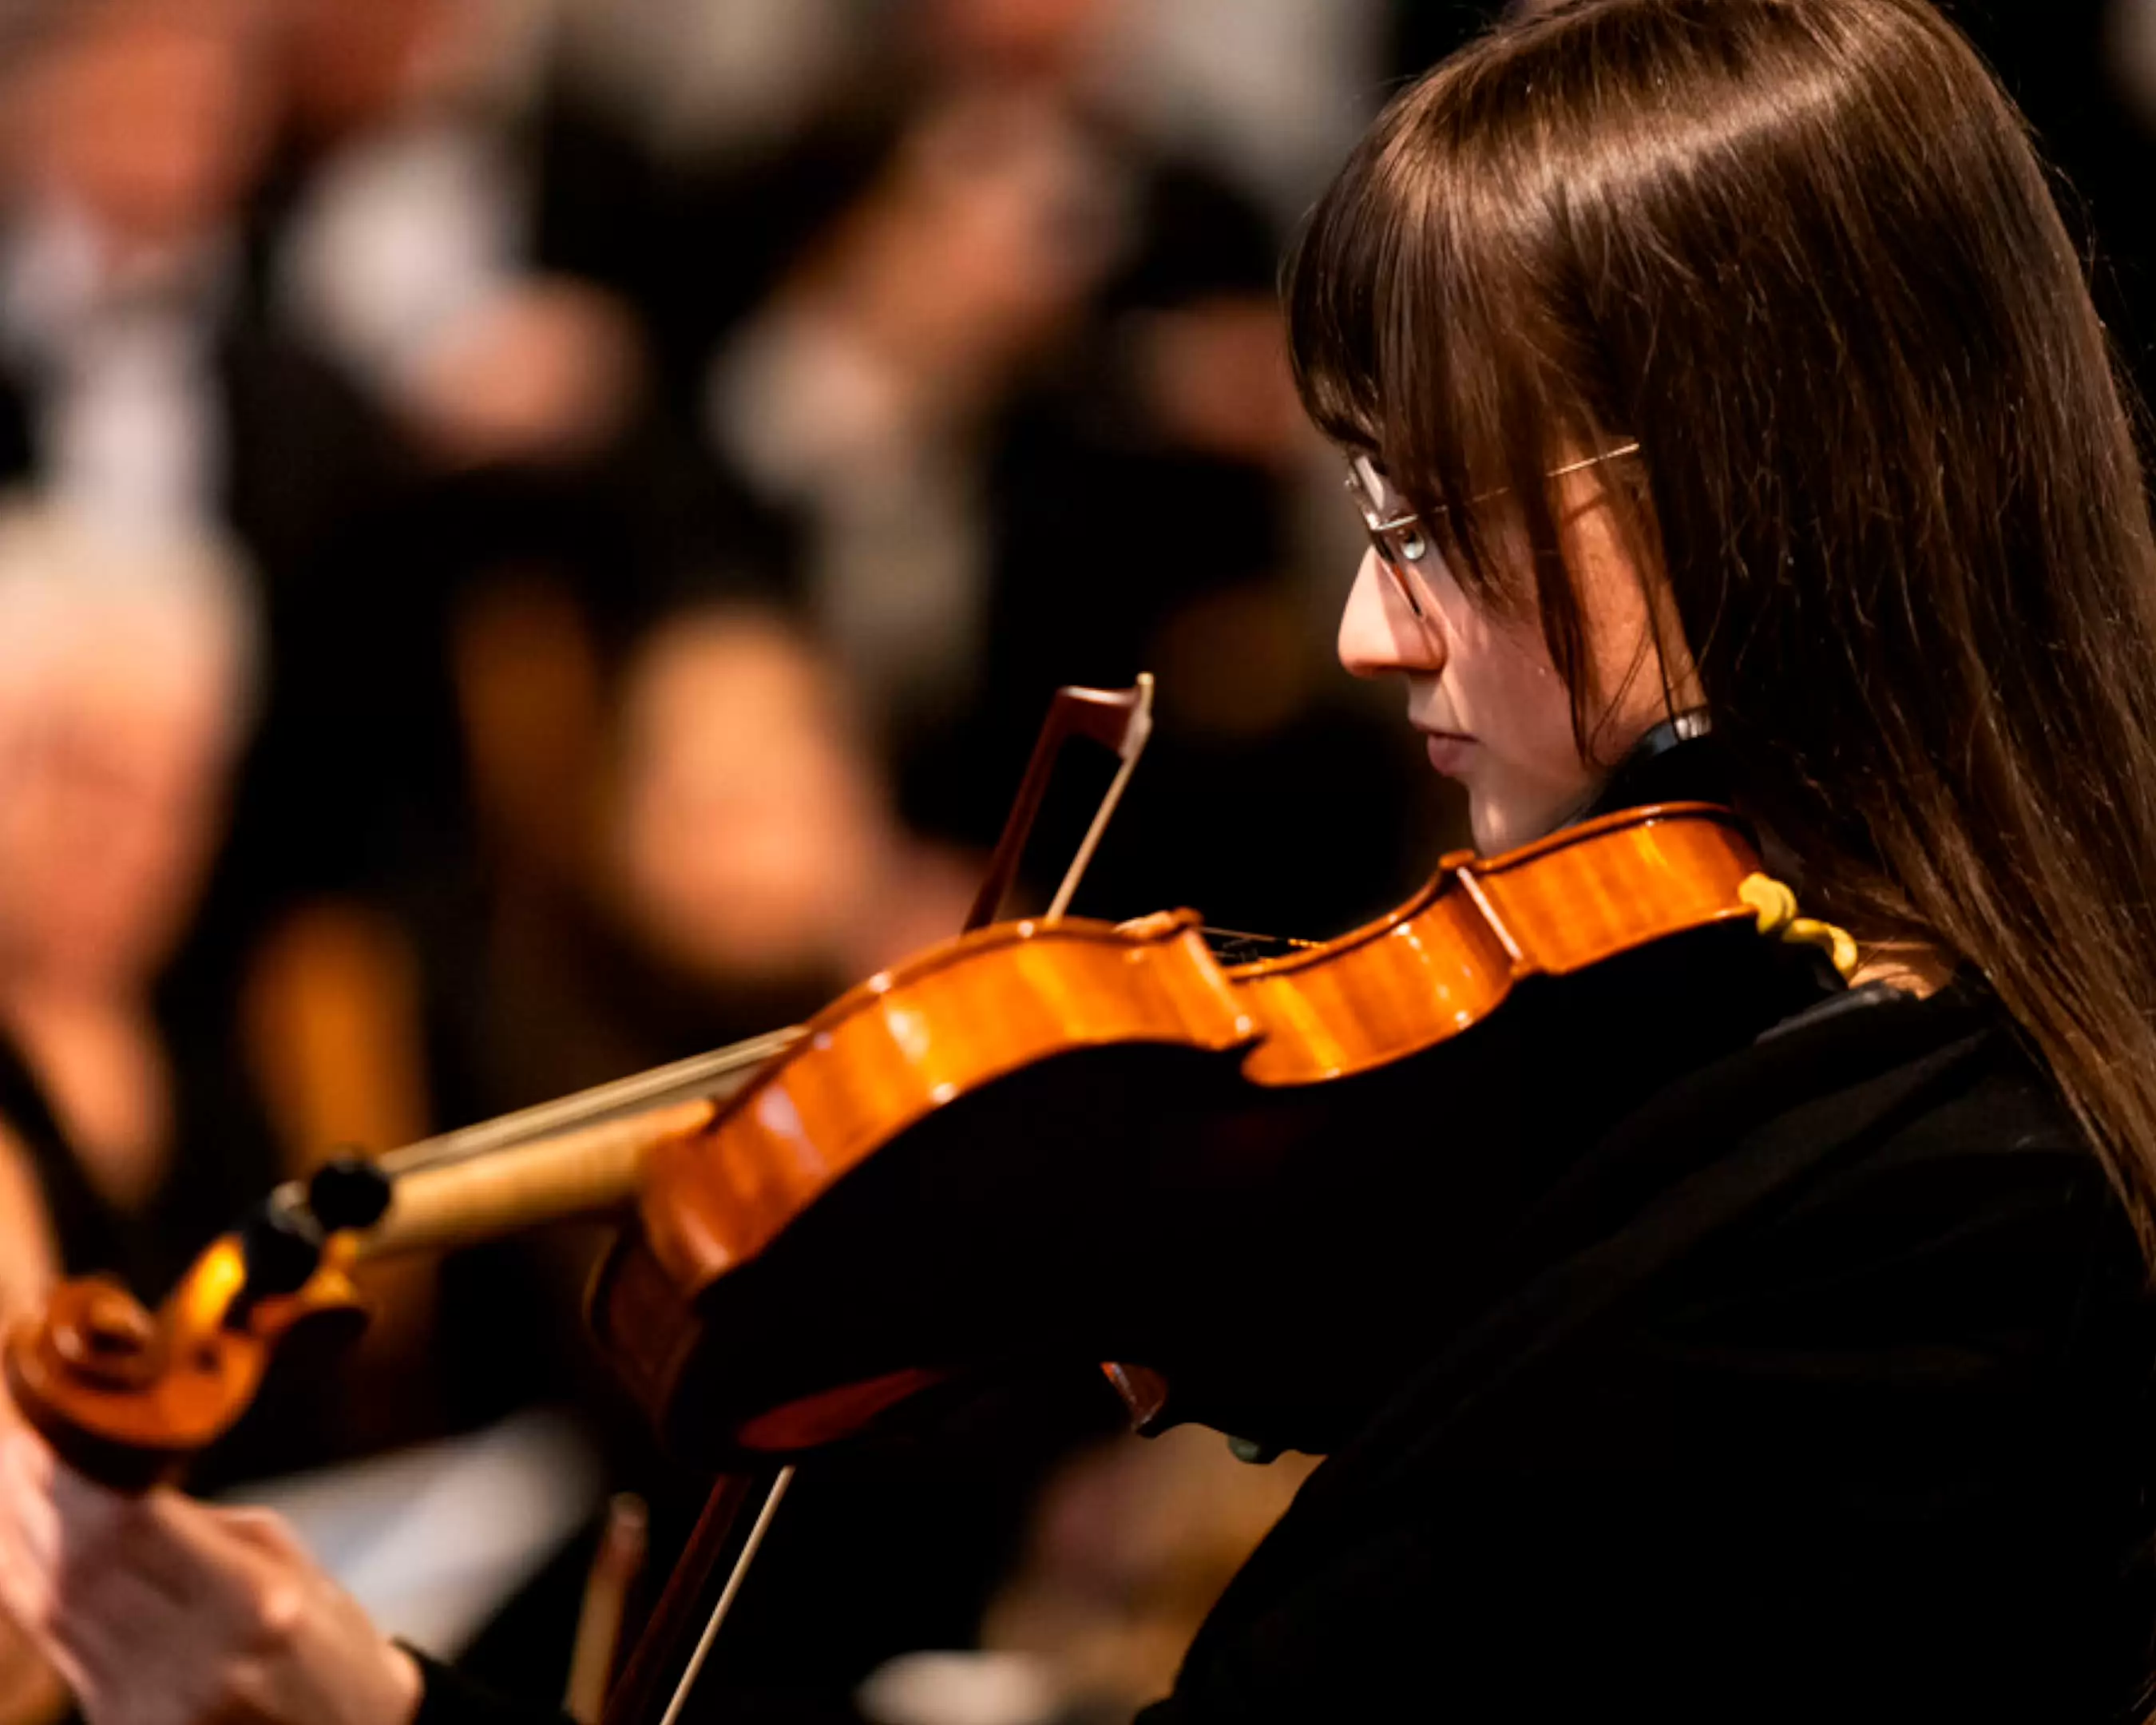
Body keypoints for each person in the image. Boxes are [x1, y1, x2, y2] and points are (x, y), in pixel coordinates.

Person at [8, 0, 2156, 1719]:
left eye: (1433, 518)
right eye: (1364, 513)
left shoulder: (1923, 1217)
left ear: (1747, 494)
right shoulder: (1785, 1100)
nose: (1366, 622)